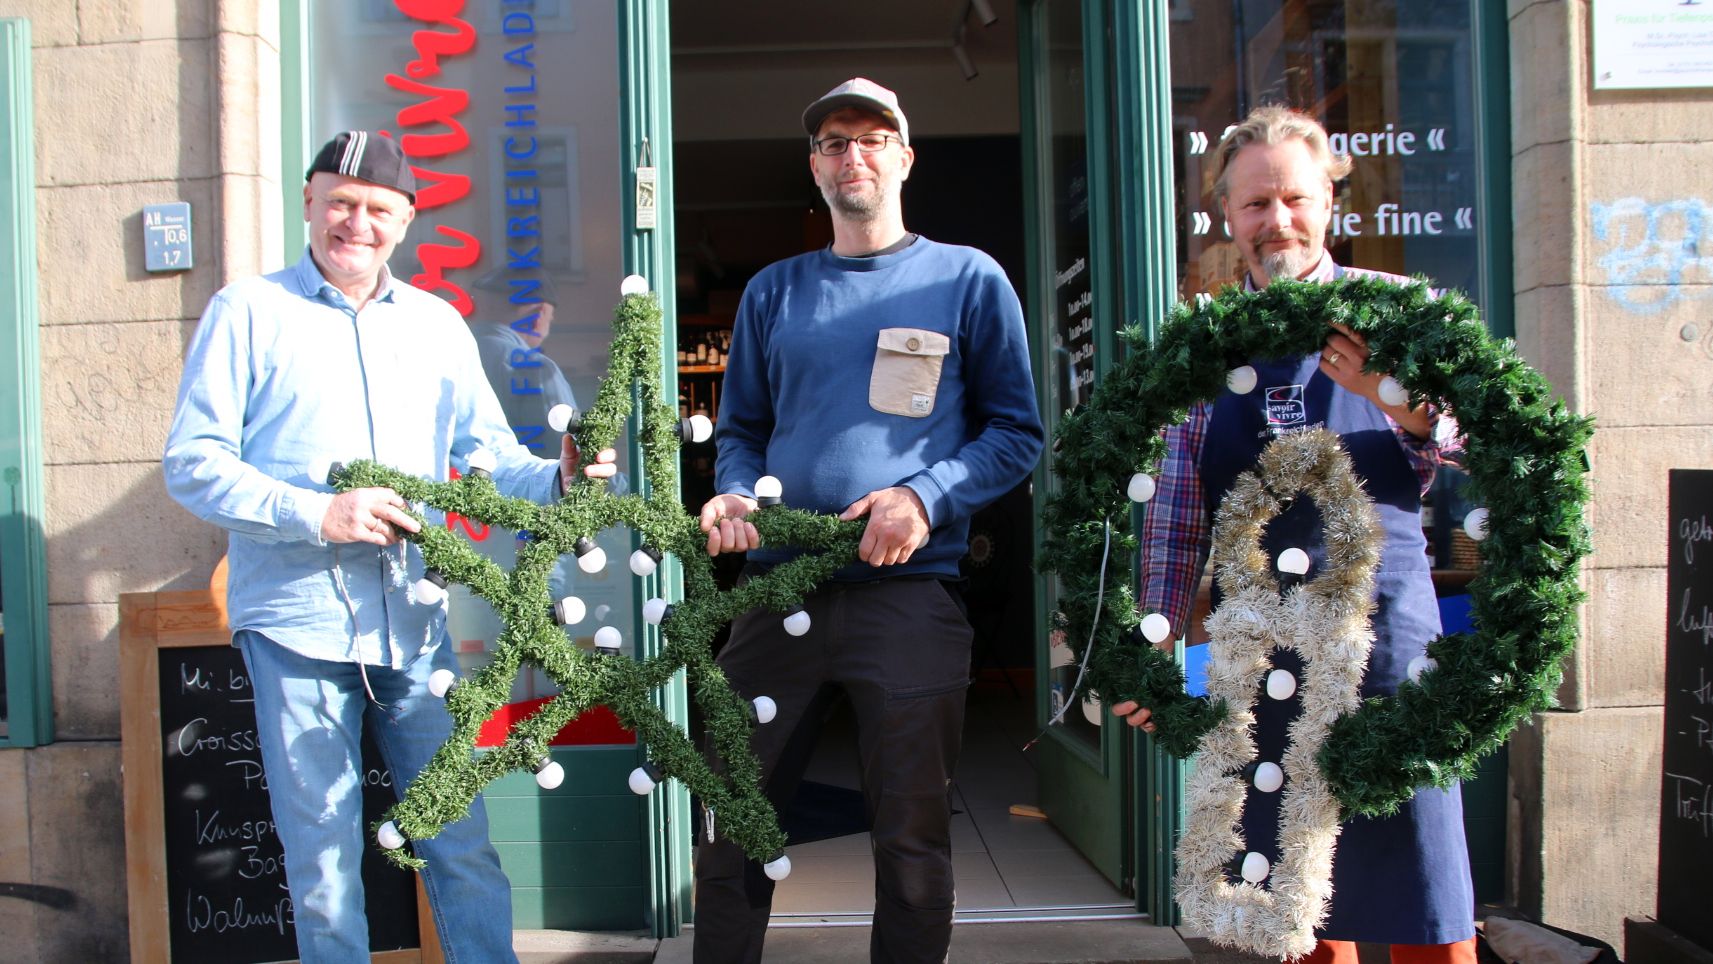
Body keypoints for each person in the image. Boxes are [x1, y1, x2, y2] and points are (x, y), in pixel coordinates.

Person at [162, 130, 613, 963]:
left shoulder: (438, 326)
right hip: (293, 626)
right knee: (322, 859)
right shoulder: (248, 311)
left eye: (377, 209)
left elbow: (488, 464)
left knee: (460, 840)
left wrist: (561, 480)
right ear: (308, 202)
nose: (355, 222)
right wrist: (315, 512)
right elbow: (191, 465)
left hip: (414, 624)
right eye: (339, 201)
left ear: (404, 222)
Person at [1109, 105, 1475, 964]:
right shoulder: (1198, 346)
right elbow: (1172, 512)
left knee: (1423, 887)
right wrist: (1155, 636)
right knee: (1294, 907)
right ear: (1225, 216)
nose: (1277, 221)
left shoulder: (1400, 311)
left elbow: (1483, 442)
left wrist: (1401, 401)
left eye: (1294, 199)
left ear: (1329, 203)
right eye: (1255, 204)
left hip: (1387, 636)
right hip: (1261, 648)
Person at [692, 78, 1044, 964]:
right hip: (778, 593)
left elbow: (1015, 434)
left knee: (912, 838)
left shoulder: (966, 278)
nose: (854, 154)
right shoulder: (775, 291)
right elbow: (741, 434)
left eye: (872, 138)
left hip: (908, 597)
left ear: (905, 158)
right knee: (735, 823)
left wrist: (923, 496)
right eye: (834, 141)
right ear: (814, 166)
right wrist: (735, 494)